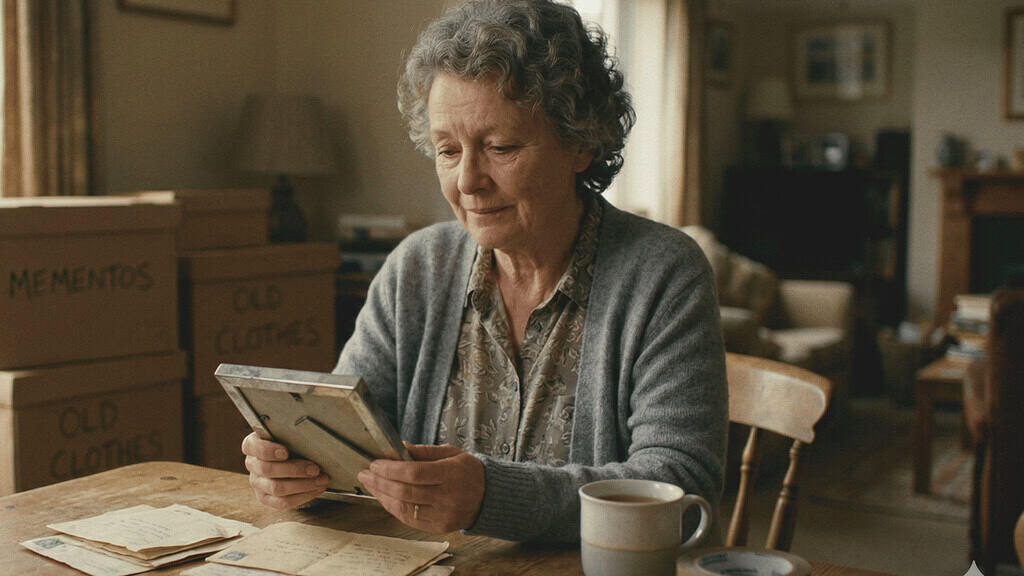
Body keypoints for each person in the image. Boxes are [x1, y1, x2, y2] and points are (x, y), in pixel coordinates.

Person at [241, 0, 727, 543]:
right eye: (448, 151)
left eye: (500, 147)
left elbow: (681, 488)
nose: (468, 181)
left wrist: (493, 497)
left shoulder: (663, 273)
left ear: (581, 142)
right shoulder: (416, 269)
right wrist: (299, 467)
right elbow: (347, 436)